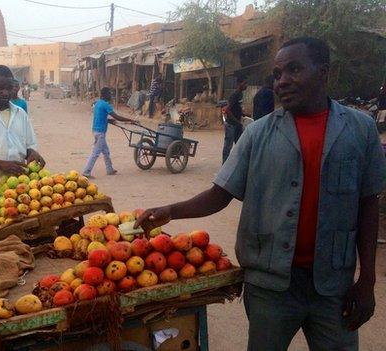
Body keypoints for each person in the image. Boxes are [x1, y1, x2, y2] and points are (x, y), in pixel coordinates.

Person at [135, 37, 386, 351]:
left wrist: (367, 282)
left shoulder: (360, 131)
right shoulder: (257, 133)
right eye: (277, 74)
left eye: (294, 70)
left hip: (333, 286)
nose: (282, 81)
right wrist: (171, 210)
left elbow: (367, 205)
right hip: (270, 286)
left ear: (323, 73)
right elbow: (220, 194)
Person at [82, 87, 136, 178]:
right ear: (105, 95)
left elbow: (101, 116)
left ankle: (109, 169)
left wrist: (110, 121)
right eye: (109, 94)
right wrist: (130, 120)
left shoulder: (98, 103)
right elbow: (117, 117)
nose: (111, 96)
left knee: (106, 151)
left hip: (95, 130)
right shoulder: (106, 105)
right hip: (100, 132)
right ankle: (86, 172)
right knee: (95, 153)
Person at [222, 75, 248, 163]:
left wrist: (243, 114)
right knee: (228, 146)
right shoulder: (235, 95)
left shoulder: (241, 94)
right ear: (239, 84)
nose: (246, 85)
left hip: (237, 124)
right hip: (231, 124)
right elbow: (227, 110)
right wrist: (237, 121)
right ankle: (224, 165)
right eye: (244, 83)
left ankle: (238, 164)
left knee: (240, 145)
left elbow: (236, 108)